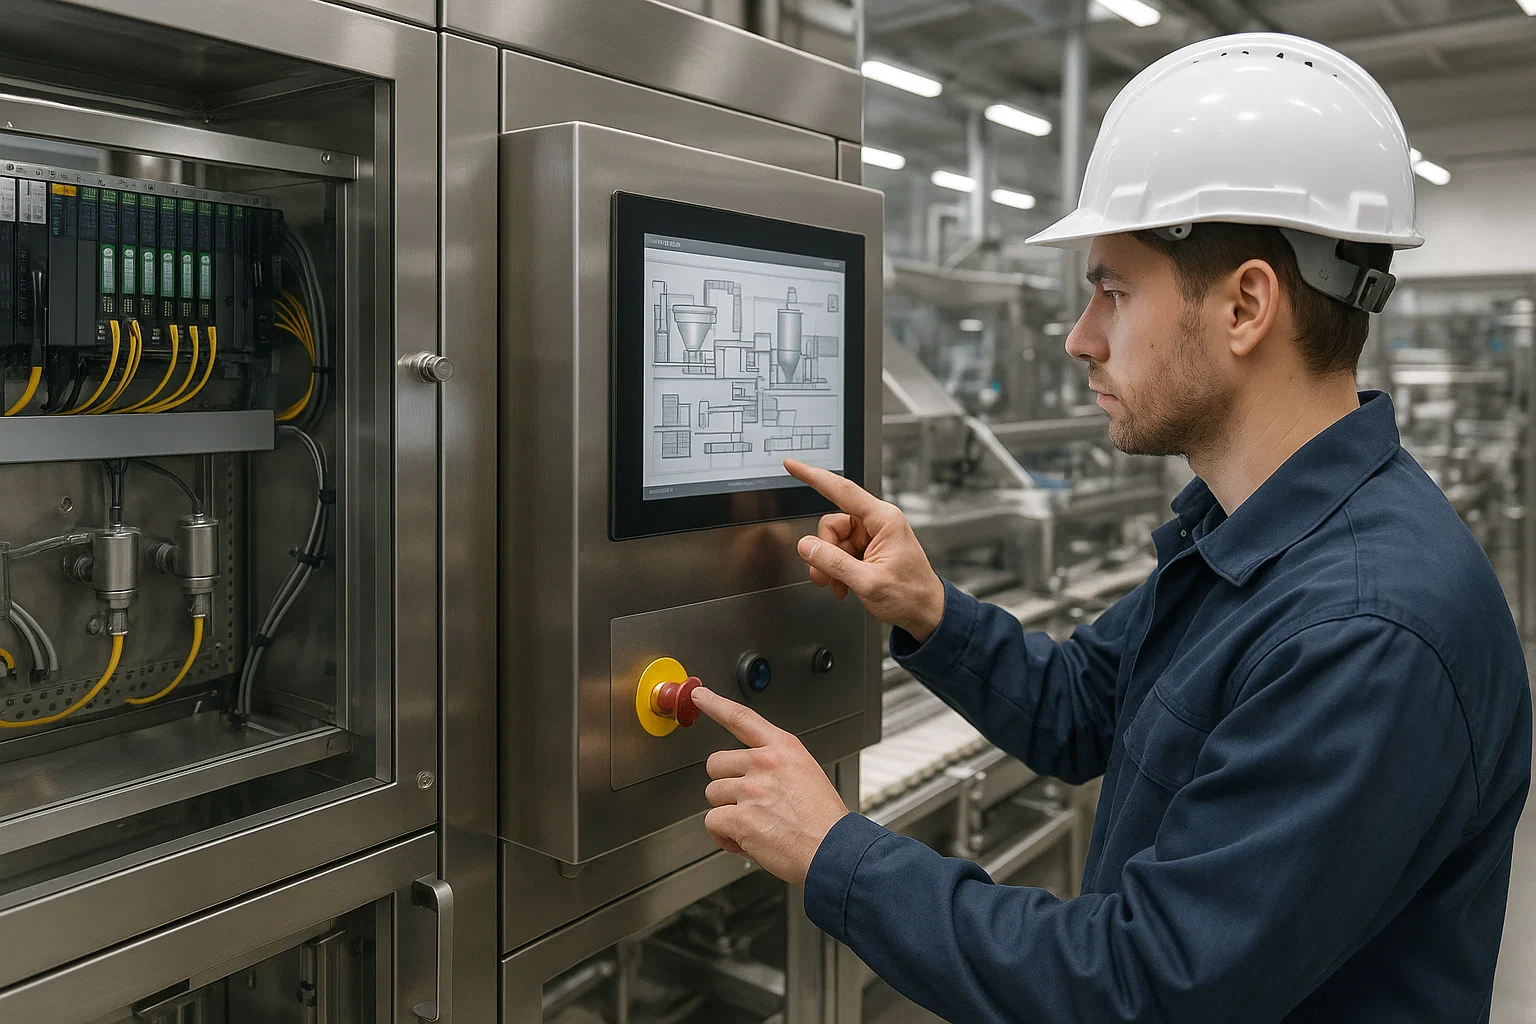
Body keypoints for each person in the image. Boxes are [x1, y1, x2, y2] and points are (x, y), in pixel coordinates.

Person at [689, 32, 1533, 1023]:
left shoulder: (1366, 629)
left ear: (1246, 305)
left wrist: (836, 849)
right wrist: (927, 613)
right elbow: (1090, 706)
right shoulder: (1254, 533)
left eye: (1113, 290)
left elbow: (1141, 989)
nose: (1079, 336)